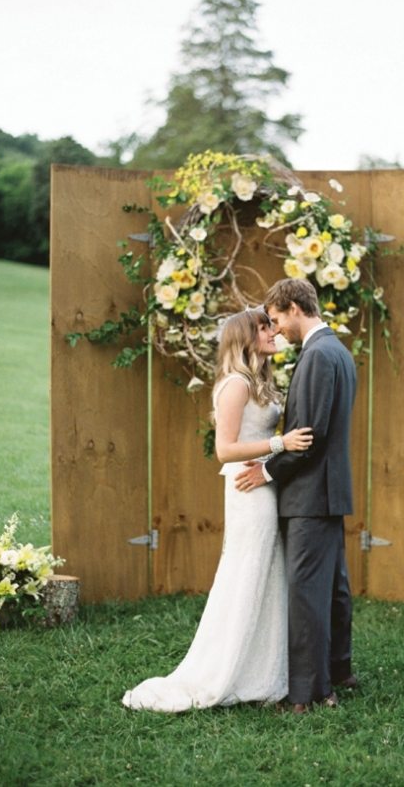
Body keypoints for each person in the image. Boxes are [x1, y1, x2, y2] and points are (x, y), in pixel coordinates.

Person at [122, 307, 313, 712]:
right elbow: (224, 449)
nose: (273, 331)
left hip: (263, 482)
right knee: (247, 571)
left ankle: (262, 670)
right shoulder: (235, 384)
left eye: (272, 324)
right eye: (264, 327)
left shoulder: (259, 381)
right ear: (245, 337)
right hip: (248, 490)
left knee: (266, 573)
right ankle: (227, 669)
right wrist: (280, 443)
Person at [235, 278, 357, 713]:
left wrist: (266, 470)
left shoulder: (318, 355)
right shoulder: (337, 351)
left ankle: (307, 694)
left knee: (307, 594)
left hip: (310, 495)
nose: (277, 328)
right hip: (328, 491)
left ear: (294, 307)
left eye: (277, 318)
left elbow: (308, 437)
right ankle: (339, 671)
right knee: (333, 589)